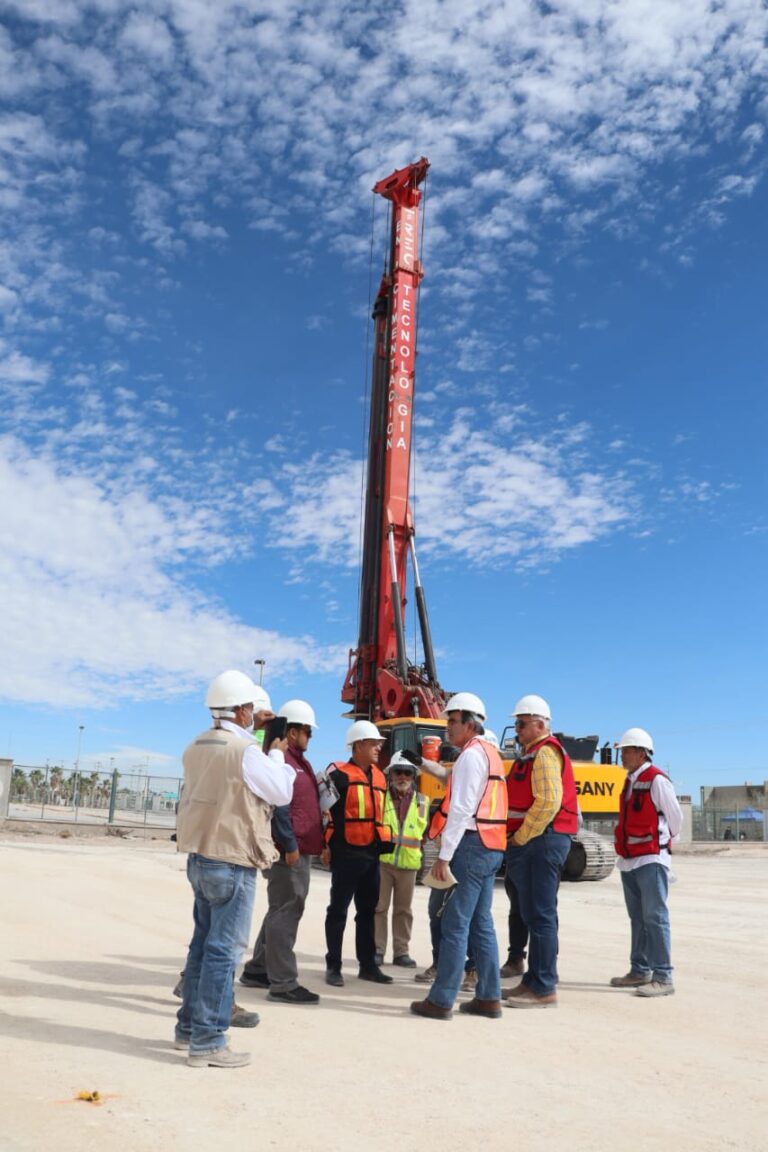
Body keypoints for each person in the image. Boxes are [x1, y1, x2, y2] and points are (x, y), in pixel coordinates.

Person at [174, 671, 295, 1068]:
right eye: (251, 710)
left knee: (202, 946)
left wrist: (255, 736)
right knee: (224, 953)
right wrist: (274, 749)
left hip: (200, 856)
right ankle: (208, 1041)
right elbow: (279, 791)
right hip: (232, 860)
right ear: (243, 710)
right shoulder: (245, 750)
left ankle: (188, 1028)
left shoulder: (196, 744)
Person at [411, 693, 507, 1021]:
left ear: (470, 724)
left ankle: (441, 1000)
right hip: (492, 846)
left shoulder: (470, 756)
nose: (446, 728)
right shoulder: (490, 754)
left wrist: (444, 856)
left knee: (454, 923)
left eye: (451, 721)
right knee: (481, 923)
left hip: (471, 845)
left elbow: (461, 809)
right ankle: (489, 998)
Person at [240, 700, 323, 1005]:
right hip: (290, 850)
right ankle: (283, 983)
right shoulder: (280, 759)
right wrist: (289, 844)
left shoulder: (297, 759)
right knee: (288, 911)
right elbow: (279, 807)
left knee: (280, 909)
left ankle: (258, 969)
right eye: (307, 732)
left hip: (299, 847)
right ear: (292, 730)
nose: (310, 737)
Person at [503, 694, 579, 1009]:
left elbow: (548, 801)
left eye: (521, 724)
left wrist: (521, 837)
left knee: (541, 915)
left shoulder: (545, 754)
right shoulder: (531, 754)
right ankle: (534, 980)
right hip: (540, 839)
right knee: (535, 914)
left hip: (541, 840)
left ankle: (544, 986)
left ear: (539, 723)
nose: (517, 730)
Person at [610, 727, 682, 998]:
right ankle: (639, 970)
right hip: (630, 860)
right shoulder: (630, 780)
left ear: (641, 753)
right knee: (638, 918)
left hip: (651, 858)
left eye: (626, 751)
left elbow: (676, 819)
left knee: (655, 917)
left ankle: (663, 977)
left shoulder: (657, 780)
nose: (622, 756)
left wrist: (663, 845)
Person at [322, 720, 395, 987]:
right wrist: (325, 846)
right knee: (338, 911)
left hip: (371, 856)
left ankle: (367, 966)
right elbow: (324, 812)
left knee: (367, 912)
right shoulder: (337, 774)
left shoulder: (380, 776)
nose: (378, 747)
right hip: (345, 853)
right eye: (374, 743)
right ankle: (334, 966)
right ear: (358, 745)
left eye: (379, 743)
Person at [374, 752, 430, 967]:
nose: (403, 776)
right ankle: (377, 950)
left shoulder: (423, 802)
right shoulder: (381, 797)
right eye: (398, 771)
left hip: (409, 864)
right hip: (383, 862)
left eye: (407, 772)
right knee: (379, 907)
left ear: (414, 776)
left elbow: (427, 834)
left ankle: (401, 953)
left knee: (403, 911)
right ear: (391, 774)